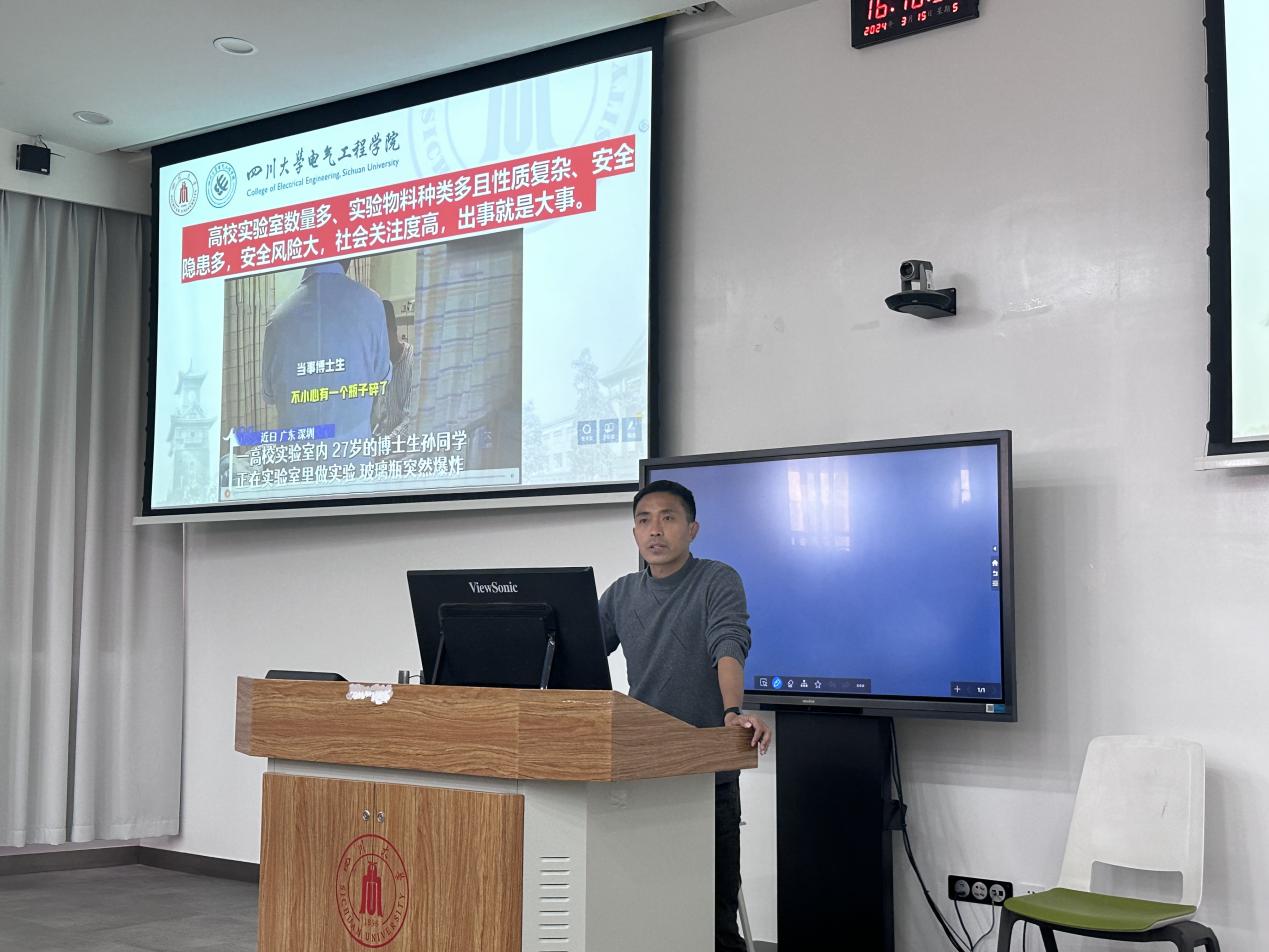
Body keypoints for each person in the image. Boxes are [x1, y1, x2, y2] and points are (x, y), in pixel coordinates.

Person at [599, 479, 772, 952]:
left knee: (713, 920)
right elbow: (579, 652)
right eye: (644, 520)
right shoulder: (620, 594)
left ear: (692, 529)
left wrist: (732, 711)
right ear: (635, 533)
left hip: (706, 773)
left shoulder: (717, 579)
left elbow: (728, 643)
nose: (655, 530)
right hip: (641, 770)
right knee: (644, 909)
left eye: (668, 518)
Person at [261, 259, 390, 441]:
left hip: (296, 455)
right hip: (352, 453)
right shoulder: (371, 304)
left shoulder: (278, 320)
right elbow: (382, 377)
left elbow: (269, 395)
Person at [371, 299, 416, 438]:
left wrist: (381, 447)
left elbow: (410, 422)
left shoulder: (414, 362)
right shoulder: (375, 365)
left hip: (402, 448)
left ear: (394, 329)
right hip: (377, 443)